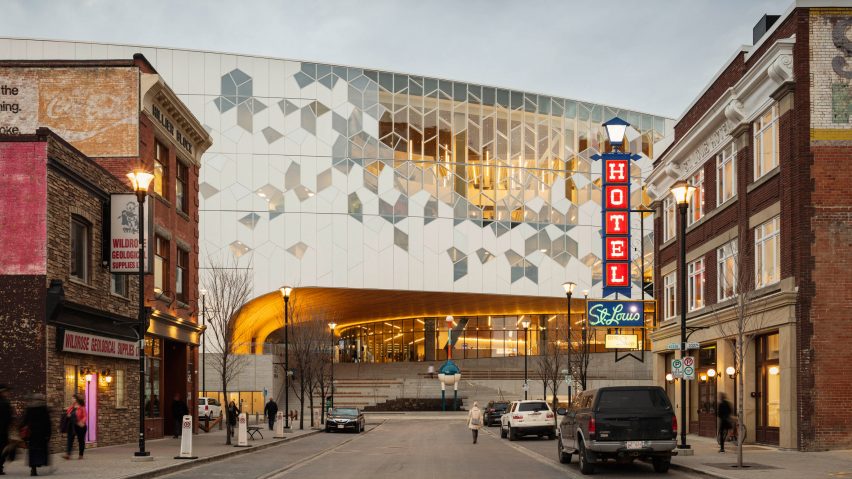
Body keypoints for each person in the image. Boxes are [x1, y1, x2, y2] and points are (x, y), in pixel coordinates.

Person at [21, 393, 51, 476]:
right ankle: (39, 463)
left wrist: (22, 430)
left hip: (32, 433)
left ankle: (33, 468)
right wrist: (48, 434)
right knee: (40, 450)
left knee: (33, 450)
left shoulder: (29, 408)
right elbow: (47, 423)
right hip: (41, 433)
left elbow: (24, 420)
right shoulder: (44, 409)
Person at [63, 394, 87, 460]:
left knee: (81, 440)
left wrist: (82, 422)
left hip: (80, 426)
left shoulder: (82, 407)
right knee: (70, 439)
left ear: (76, 399)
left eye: (73, 398)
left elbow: (85, 416)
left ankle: (81, 455)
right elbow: (68, 414)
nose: (72, 399)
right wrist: (68, 415)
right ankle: (68, 454)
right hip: (72, 425)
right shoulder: (71, 407)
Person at [0, 384, 12, 476]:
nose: (7, 393)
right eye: (6, 391)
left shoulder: (5, 402)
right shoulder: (4, 403)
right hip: (3, 430)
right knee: (4, 448)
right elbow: (8, 417)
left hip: (3, 429)